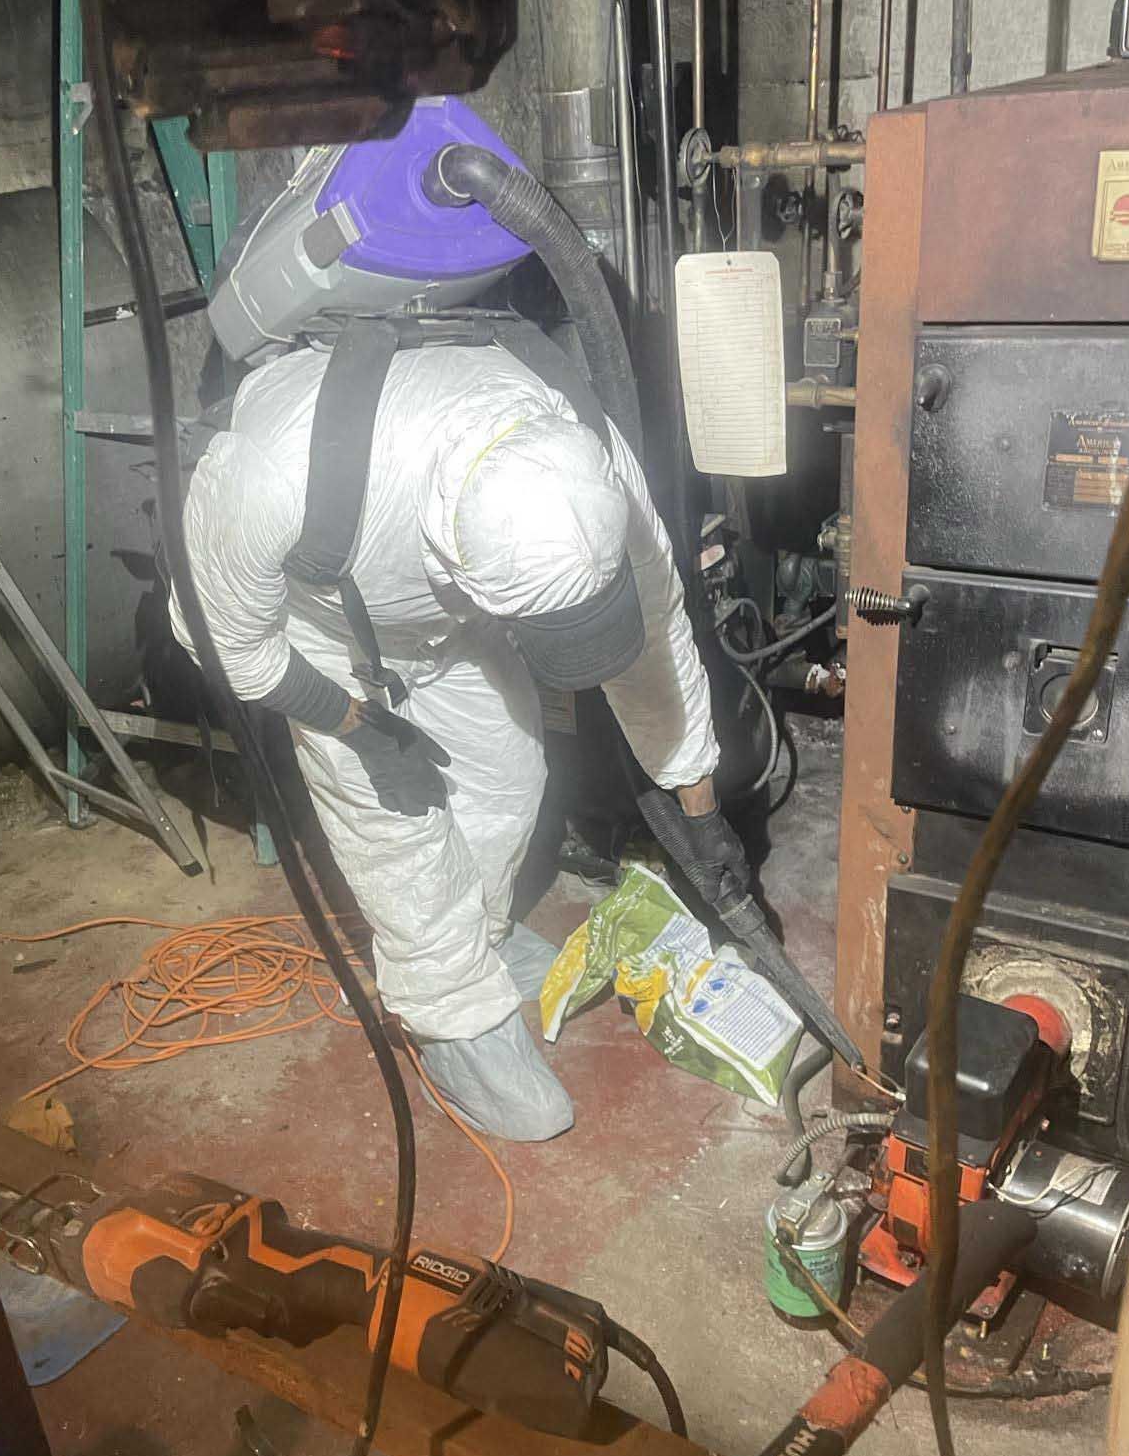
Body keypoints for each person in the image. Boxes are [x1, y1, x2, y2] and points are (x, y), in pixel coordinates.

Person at [175, 336, 749, 1141]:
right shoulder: (278, 474)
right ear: (455, 553)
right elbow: (226, 643)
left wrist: (699, 804)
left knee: (511, 777)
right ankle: (446, 1009)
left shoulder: (586, 452)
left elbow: (655, 635)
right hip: (326, 634)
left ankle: (476, 944)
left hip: (447, 623)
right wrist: (358, 727)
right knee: (399, 824)